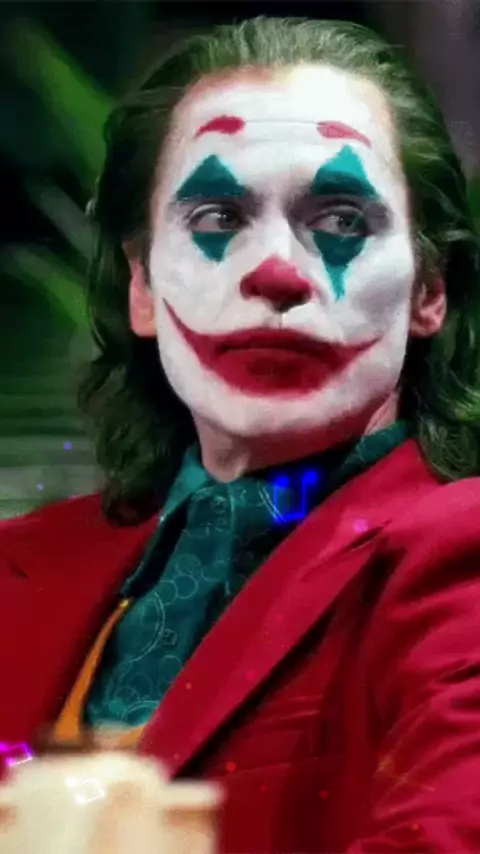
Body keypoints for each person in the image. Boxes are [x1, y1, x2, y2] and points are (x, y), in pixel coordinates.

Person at [2, 14, 480, 852]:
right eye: (217, 218)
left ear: (428, 292)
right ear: (143, 287)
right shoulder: (21, 563)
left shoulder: (458, 554)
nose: (276, 272)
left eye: (342, 221)